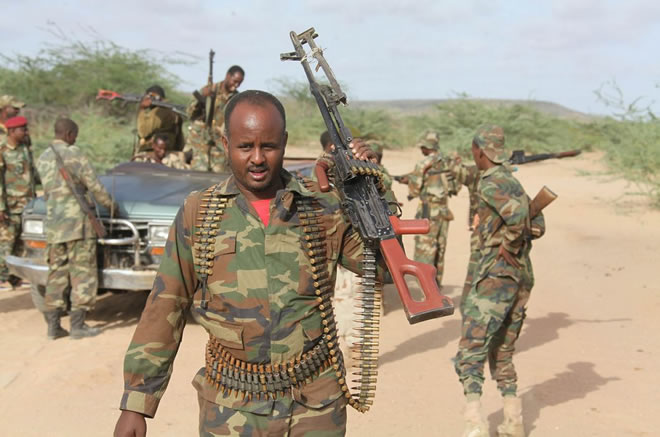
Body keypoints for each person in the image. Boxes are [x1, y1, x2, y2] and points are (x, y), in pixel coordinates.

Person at [114, 90, 384, 437]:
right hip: (231, 408)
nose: (257, 158)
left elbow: (381, 269)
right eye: (245, 147)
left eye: (268, 146)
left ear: (284, 142)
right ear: (226, 144)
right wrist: (136, 403)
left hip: (315, 406)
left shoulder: (323, 207)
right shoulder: (199, 213)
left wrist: (371, 192)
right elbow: (166, 305)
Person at [453, 125, 546, 437]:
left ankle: (474, 423)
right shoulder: (513, 182)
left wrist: (507, 243)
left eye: (474, 150)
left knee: (471, 349)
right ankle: (513, 420)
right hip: (520, 276)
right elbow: (538, 225)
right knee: (502, 350)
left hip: (495, 277)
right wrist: (516, 239)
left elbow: (518, 220)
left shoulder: (491, 182)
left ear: (480, 151)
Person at [36, 118, 116, 340]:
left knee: (56, 274)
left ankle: (53, 327)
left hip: (54, 225)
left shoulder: (43, 157)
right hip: (78, 225)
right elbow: (94, 186)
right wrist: (111, 206)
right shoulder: (74, 153)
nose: (75, 140)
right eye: (75, 136)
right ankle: (78, 326)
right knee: (82, 273)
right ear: (69, 134)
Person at [400, 131, 459, 288]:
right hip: (444, 212)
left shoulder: (423, 164)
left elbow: (414, 190)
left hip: (428, 212)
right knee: (440, 248)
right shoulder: (447, 163)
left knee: (425, 249)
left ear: (427, 146)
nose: (421, 150)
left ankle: (425, 287)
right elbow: (455, 187)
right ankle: (436, 285)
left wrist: (408, 181)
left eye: (422, 147)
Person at [0, 116, 38, 290]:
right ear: (12, 131)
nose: (26, 132)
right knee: (6, 242)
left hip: (27, 203)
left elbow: (32, 174)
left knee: (22, 243)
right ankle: (2, 277)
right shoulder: (2, 149)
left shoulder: (24, 148)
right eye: (23, 129)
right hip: (10, 205)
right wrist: (0, 207)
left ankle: (15, 277)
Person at [184, 65, 245, 172]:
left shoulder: (236, 99)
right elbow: (189, 113)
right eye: (235, 81)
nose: (236, 85)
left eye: (239, 83)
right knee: (198, 171)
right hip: (200, 143)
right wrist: (203, 97)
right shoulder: (209, 90)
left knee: (220, 173)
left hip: (219, 146)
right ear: (227, 76)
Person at [136, 85, 184, 153]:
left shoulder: (158, 112)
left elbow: (143, 132)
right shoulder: (172, 111)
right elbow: (180, 139)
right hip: (170, 151)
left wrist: (142, 109)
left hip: (154, 152)